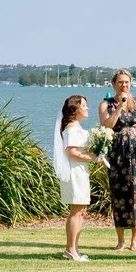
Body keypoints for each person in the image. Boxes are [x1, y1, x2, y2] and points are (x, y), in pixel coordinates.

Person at [99, 70, 136, 251]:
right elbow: (107, 126)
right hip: (118, 154)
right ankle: (121, 239)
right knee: (119, 195)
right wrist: (119, 107)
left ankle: (135, 240)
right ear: (114, 84)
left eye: (127, 82)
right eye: (120, 82)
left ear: (131, 83)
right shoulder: (106, 104)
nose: (124, 85)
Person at [53, 94, 92, 261]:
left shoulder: (76, 128)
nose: (87, 108)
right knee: (76, 211)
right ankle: (70, 249)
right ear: (75, 109)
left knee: (81, 211)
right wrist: (92, 158)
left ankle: (75, 248)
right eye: (84, 105)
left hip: (81, 171)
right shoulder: (71, 129)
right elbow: (71, 152)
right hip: (74, 173)